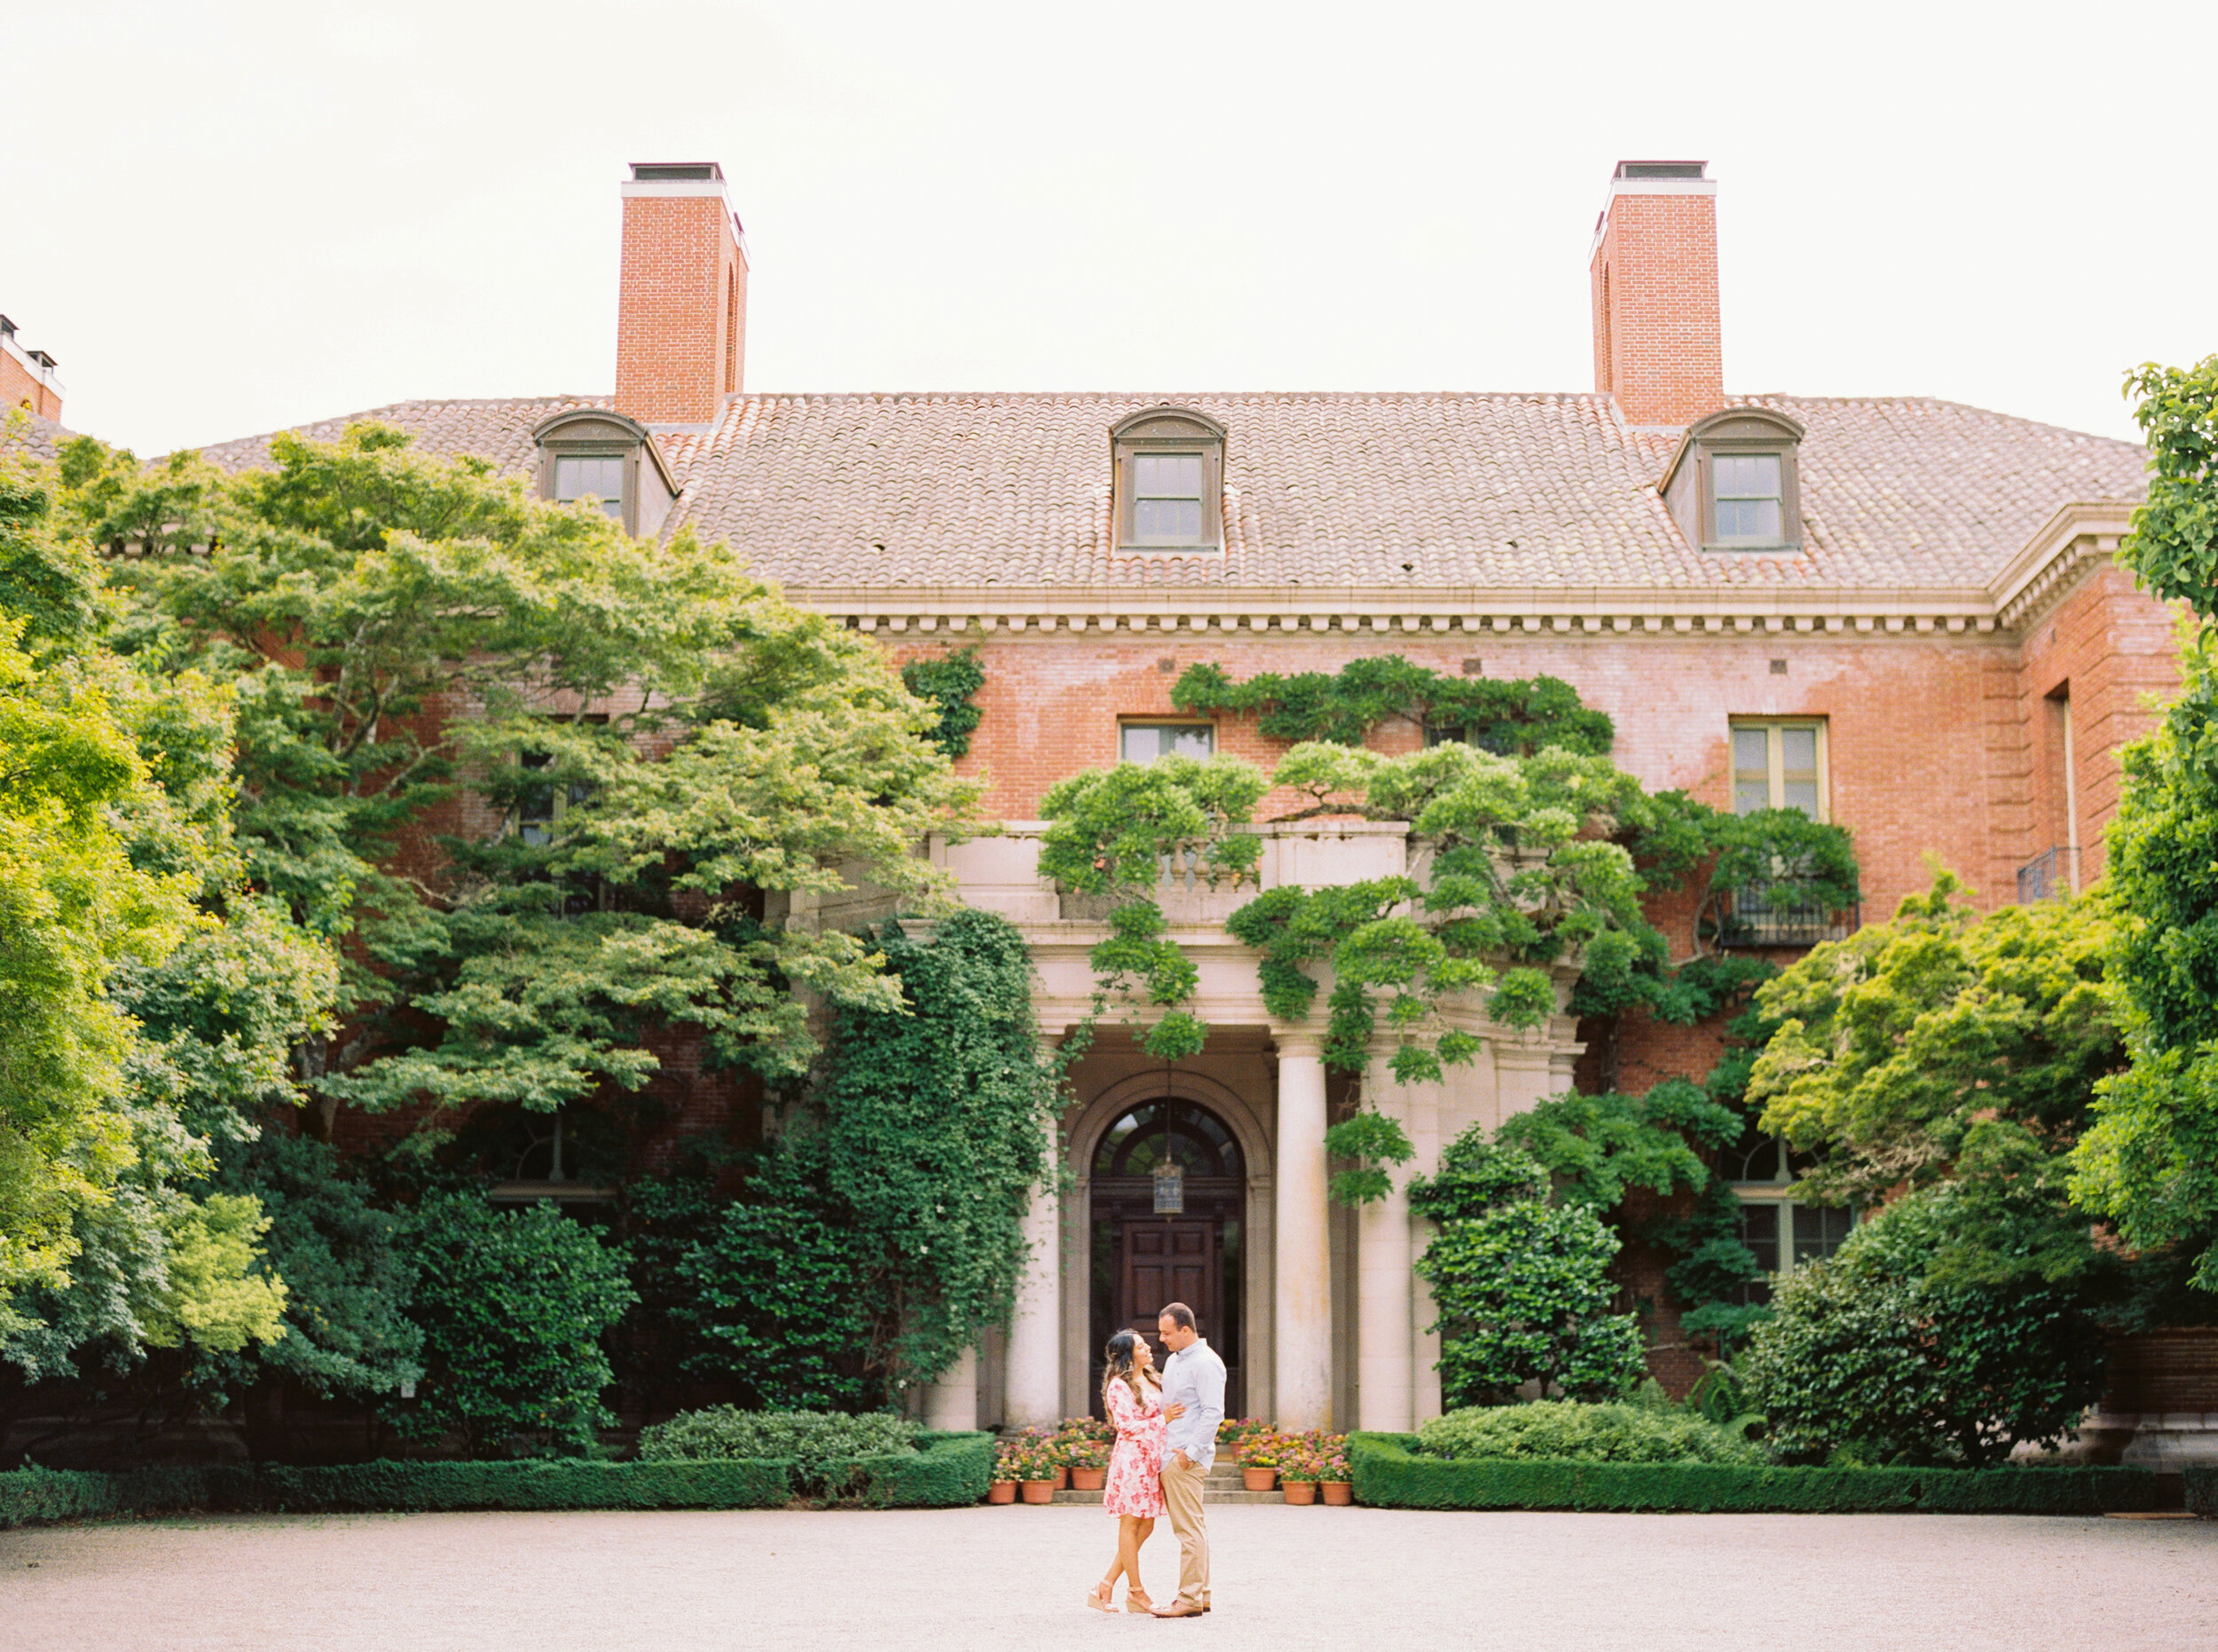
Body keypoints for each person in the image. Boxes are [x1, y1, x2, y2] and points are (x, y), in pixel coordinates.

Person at [1151, 1301, 1225, 1618]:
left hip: (1184, 1457)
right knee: (1194, 1527)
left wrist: (1189, 1454)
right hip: (1173, 1452)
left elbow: (1214, 1412)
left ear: (1185, 1329)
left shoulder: (1206, 1363)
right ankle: (1201, 1594)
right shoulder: (1175, 1360)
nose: (1162, 1339)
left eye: (1167, 1333)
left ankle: (1189, 1597)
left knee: (1188, 1531)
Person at [1088, 1328, 1168, 1614]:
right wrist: (1163, 1420)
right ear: (1127, 1355)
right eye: (1141, 1346)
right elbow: (1127, 1427)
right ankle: (1136, 1592)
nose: (1148, 1348)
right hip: (1132, 1461)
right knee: (1131, 1524)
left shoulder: (1152, 1378)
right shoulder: (1117, 1386)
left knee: (1146, 1526)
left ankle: (1105, 1584)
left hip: (1151, 1462)